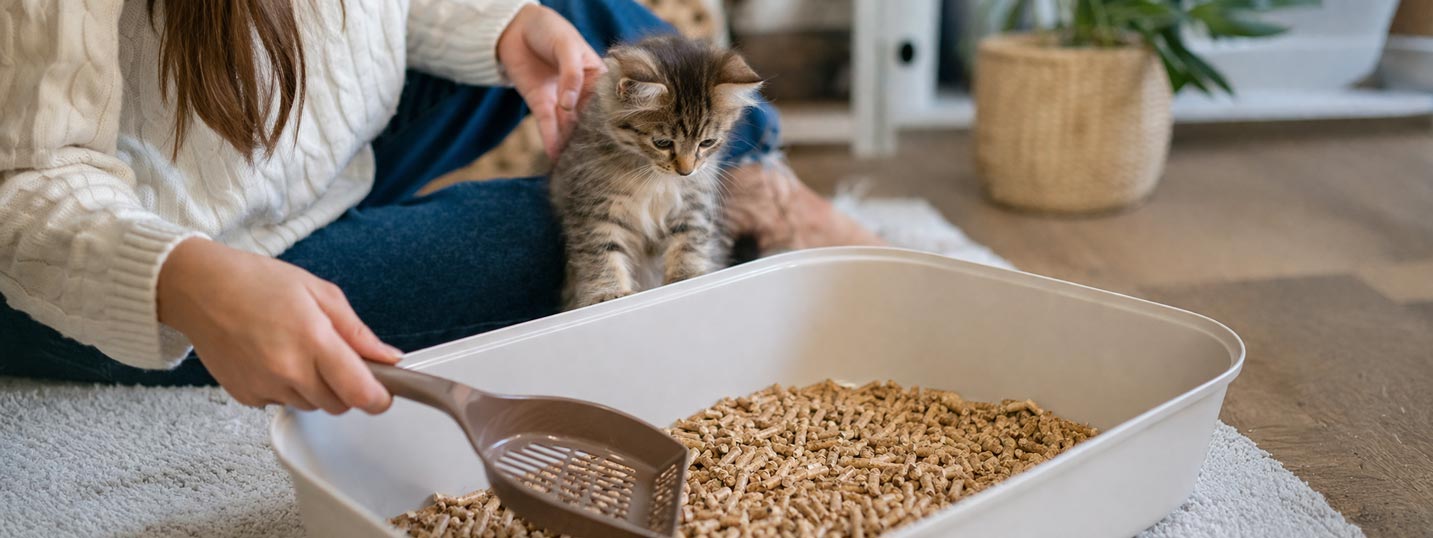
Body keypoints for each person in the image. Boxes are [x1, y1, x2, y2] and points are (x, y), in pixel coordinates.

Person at [0, 0, 881, 416]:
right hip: (148, 237)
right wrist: (186, 281)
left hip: (296, 148)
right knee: (562, 242)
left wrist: (503, 30)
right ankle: (731, 206)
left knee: (573, 30)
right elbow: (26, 187)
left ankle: (753, 176)